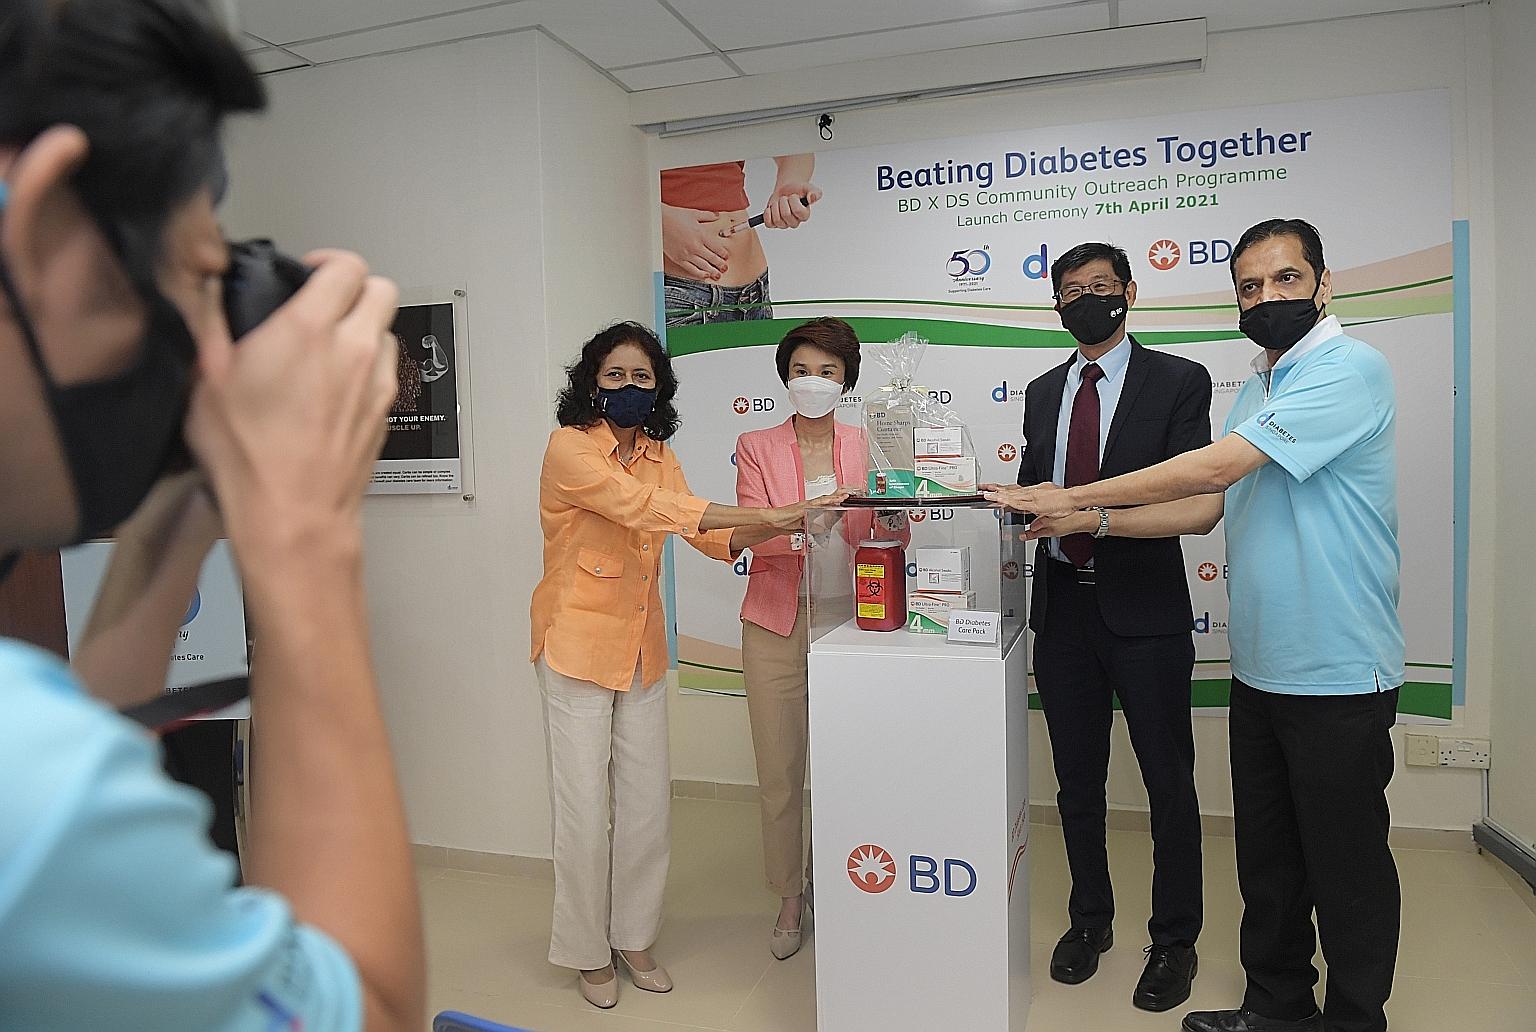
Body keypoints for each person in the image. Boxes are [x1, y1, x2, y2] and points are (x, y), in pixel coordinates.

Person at [0, 2, 422, 1030]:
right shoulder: (28, 793)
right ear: (45, 228)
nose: (196, 356)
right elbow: (369, 1011)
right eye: (193, 278)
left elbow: (79, 744)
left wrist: (190, 500)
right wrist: (305, 536)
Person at [988, 219, 1402, 1032]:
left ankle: (1352, 1018)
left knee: (1344, 862)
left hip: (1339, 660)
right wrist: (1064, 514)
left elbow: (1213, 472)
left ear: (1324, 283)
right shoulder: (1260, 385)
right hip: (1261, 659)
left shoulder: (1349, 368)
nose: (1266, 297)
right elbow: (1212, 504)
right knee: (1270, 857)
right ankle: (1276, 1006)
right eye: (1250, 286)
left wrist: (1077, 500)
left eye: (1286, 279)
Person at [533, 321, 840, 1009]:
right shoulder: (569, 448)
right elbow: (650, 509)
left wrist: (790, 522)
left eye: (643, 377)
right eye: (615, 375)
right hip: (576, 646)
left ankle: (633, 935)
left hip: (641, 649)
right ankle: (586, 951)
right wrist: (782, 511)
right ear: (590, 382)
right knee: (583, 811)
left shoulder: (658, 453)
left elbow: (708, 534)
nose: (630, 387)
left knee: (646, 806)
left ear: (660, 387)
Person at [1012, 243, 1218, 1011]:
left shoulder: (1179, 381)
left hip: (1146, 611)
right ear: (1057, 306)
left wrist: (1093, 515)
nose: (1087, 300)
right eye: (1071, 291)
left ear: (1129, 293)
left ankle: (1175, 941)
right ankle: (1089, 920)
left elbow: (1192, 499)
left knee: (1169, 783)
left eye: (1101, 286)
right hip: (1063, 611)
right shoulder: (1042, 391)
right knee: (1077, 783)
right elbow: (1037, 494)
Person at [734, 317, 905, 959]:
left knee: (848, 766)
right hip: (775, 624)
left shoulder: (867, 442)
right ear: (786, 377)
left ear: (846, 381)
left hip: (851, 621)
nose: (813, 382)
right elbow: (754, 530)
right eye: (802, 370)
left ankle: (843, 882)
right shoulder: (756, 444)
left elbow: (891, 533)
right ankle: (788, 895)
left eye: (827, 372)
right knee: (780, 772)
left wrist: (881, 511)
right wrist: (813, 521)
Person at [660, 155, 821, 326]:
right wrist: (659, 219)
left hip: (756, 293)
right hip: (680, 296)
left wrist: (790, 181)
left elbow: (791, 144)